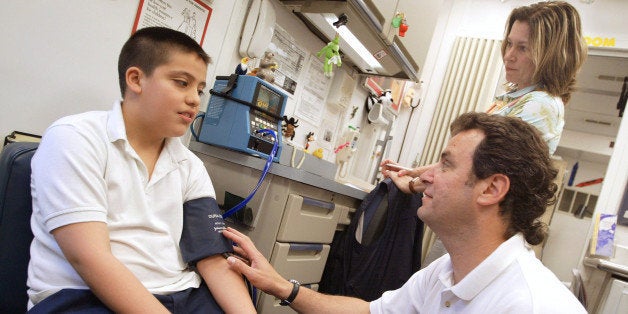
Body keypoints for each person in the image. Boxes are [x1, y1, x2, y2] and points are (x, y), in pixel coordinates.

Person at [222, 112, 586, 313]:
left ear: (491, 189)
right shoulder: (444, 274)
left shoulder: (529, 305)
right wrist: (282, 286)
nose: (425, 176)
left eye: (445, 165)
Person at [26, 27, 256, 313]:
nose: (196, 100)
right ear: (135, 79)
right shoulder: (74, 138)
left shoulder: (190, 165)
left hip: (180, 293)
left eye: (199, 89)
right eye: (182, 83)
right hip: (84, 296)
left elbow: (211, 258)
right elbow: (89, 258)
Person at [382, 0, 587, 194]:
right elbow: (471, 157)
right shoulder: (516, 98)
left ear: (549, 55)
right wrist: (413, 173)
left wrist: (412, 184)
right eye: (509, 44)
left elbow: (479, 167)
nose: (509, 55)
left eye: (522, 48)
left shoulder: (540, 105)